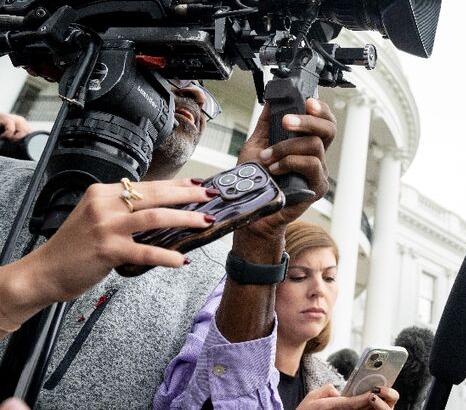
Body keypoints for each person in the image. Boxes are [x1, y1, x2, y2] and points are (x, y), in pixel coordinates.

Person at [0, 79, 337, 409]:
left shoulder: (216, 272)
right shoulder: (5, 181)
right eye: (171, 72)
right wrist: (28, 284)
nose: (196, 94)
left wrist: (259, 234)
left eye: (204, 86)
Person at [154, 221, 399, 409]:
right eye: (298, 276)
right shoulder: (213, 369)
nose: (318, 290)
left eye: (329, 278)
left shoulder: (334, 387)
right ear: (267, 287)